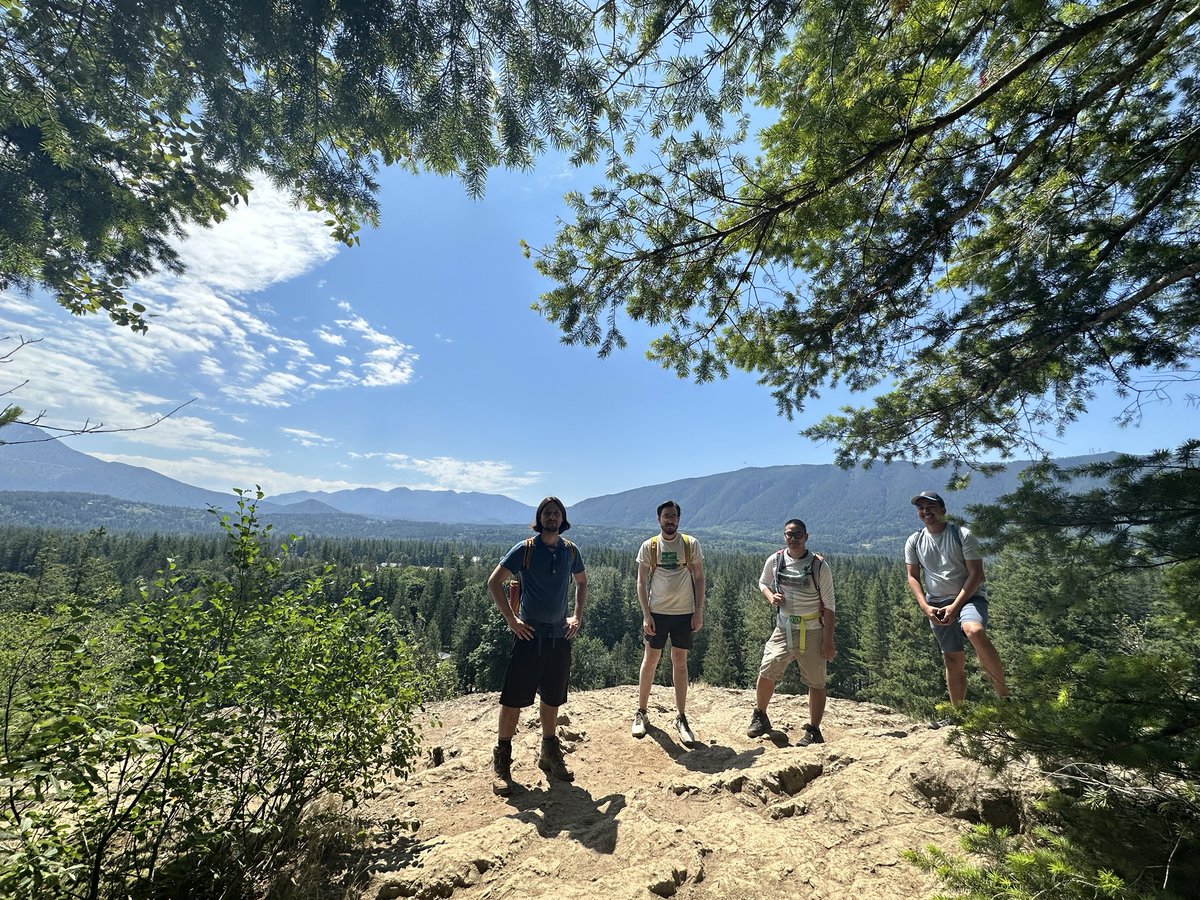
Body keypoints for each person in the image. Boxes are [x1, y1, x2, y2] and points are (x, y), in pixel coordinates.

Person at [486, 496, 587, 795]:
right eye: (547, 513)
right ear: (539, 518)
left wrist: (577, 616)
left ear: (562, 519)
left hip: (558, 637)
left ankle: (549, 753)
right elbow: (494, 582)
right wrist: (512, 620)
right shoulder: (526, 549)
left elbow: (582, 582)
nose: (552, 517)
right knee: (513, 699)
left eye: (556, 513)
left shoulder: (570, 551)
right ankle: (502, 761)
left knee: (552, 698)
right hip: (528, 637)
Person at [904, 490, 1009, 721]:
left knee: (974, 630)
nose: (926, 511)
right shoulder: (914, 541)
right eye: (921, 508)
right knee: (952, 658)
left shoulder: (962, 535)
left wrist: (955, 606)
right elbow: (912, 576)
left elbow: (977, 574)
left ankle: (1005, 701)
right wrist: (925, 606)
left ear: (943, 510)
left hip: (969, 598)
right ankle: (957, 715)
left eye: (931, 507)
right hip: (936, 604)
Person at [747, 519, 836, 746]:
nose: (793, 538)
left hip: (813, 629)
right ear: (784, 536)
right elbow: (763, 582)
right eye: (789, 534)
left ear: (806, 537)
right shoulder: (775, 560)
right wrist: (771, 597)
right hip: (783, 628)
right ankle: (760, 715)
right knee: (767, 669)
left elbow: (830, 606)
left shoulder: (819, 566)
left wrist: (828, 640)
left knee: (816, 681)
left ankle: (814, 730)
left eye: (798, 534)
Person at [631, 500, 705, 744]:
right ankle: (641, 712)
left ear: (679, 519)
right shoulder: (649, 546)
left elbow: (699, 578)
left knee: (680, 662)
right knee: (650, 660)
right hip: (657, 613)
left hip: (684, 613)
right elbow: (641, 582)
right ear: (659, 519)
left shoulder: (690, 544)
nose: (670, 520)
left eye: (673, 516)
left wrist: (698, 611)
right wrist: (646, 614)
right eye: (666, 516)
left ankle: (681, 717)